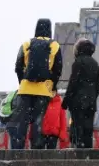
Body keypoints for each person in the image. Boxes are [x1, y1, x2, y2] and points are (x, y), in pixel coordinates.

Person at [11, 19, 62, 149]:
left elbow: (18, 66)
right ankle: (36, 151)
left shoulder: (26, 43)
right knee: (38, 123)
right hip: (43, 91)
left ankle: (17, 150)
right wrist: (52, 86)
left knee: (21, 123)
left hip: (25, 90)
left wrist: (23, 81)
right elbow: (58, 69)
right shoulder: (54, 45)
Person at [62, 38, 99, 149]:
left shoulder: (78, 62)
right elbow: (98, 86)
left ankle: (79, 154)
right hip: (91, 103)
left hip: (78, 102)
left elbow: (73, 83)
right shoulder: (95, 64)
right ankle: (87, 154)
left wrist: (66, 101)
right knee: (88, 130)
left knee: (78, 128)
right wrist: (92, 98)